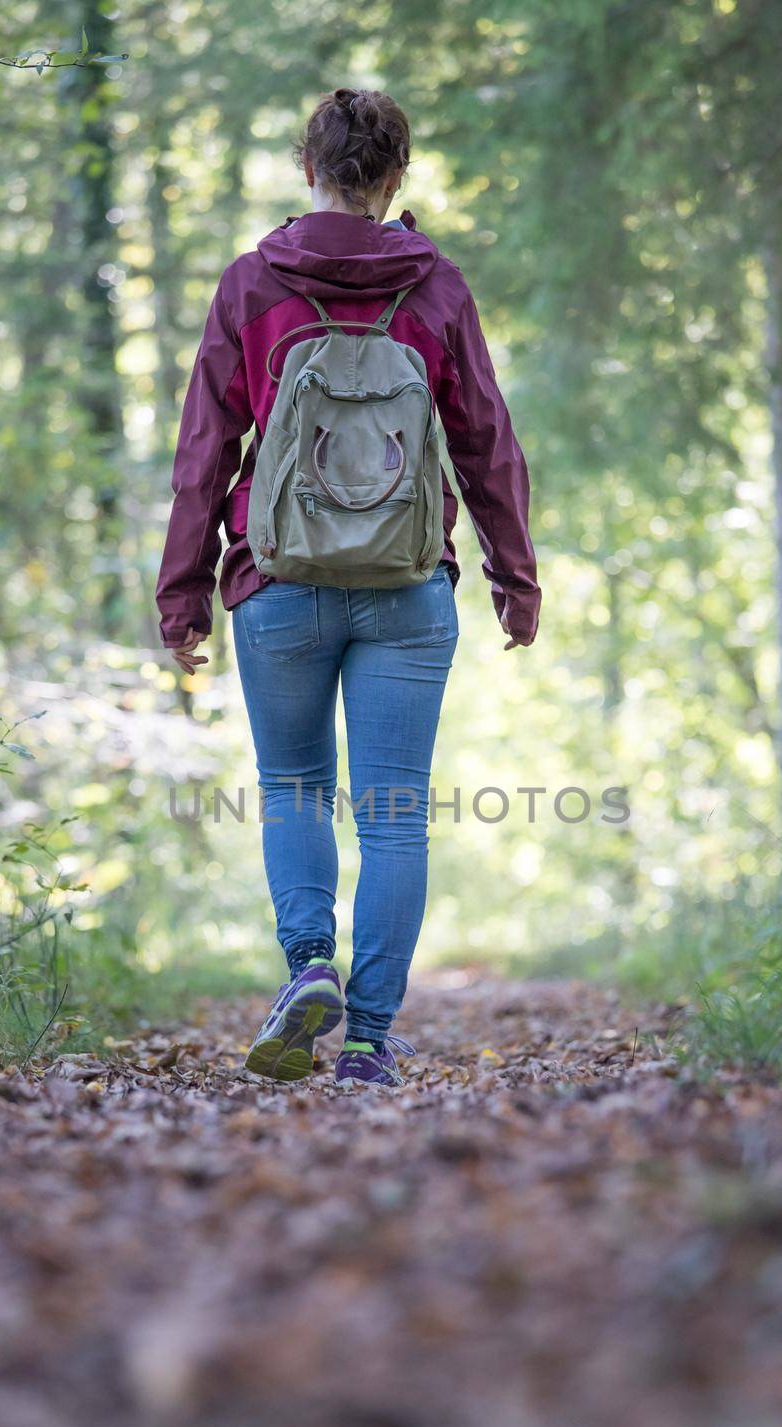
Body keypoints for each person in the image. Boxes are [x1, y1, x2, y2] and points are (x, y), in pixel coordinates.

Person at [156, 87, 540, 1087]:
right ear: (396, 174)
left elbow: (206, 447)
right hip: (409, 585)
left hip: (276, 577)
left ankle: (306, 969)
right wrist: (513, 573)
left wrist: (183, 591)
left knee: (291, 788)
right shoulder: (435, 286)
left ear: (307, 167)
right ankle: (367, 1040)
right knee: (393, 811)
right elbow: (484, 441)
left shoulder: (252, 284)